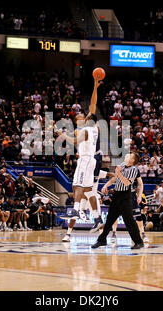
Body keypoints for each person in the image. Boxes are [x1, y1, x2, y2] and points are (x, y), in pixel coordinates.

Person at [59, 76, 103, 233]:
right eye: (79, 116)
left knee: (76, 185)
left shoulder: (85, 129)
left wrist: (60, 134)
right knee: (89, 190)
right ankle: (98, 218)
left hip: (86, 160)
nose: (83, 116)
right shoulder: (93, 127)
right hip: (92, 160)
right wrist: (95, 88)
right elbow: (93, 104)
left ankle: (76, 210)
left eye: (83, 116)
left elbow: (75, 142)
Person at [92, 153, 145, 250]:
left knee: (129, 221)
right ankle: (102, 240)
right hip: (116, 195)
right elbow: (114, 178)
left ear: (132, 160)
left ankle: (139, 242)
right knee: (109, 219)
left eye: (130, 155)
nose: (127, 155)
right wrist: (106, 185)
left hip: (126, 196)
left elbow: (127, 183)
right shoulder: (121, 165)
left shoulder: (134, 169)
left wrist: (119, 172)